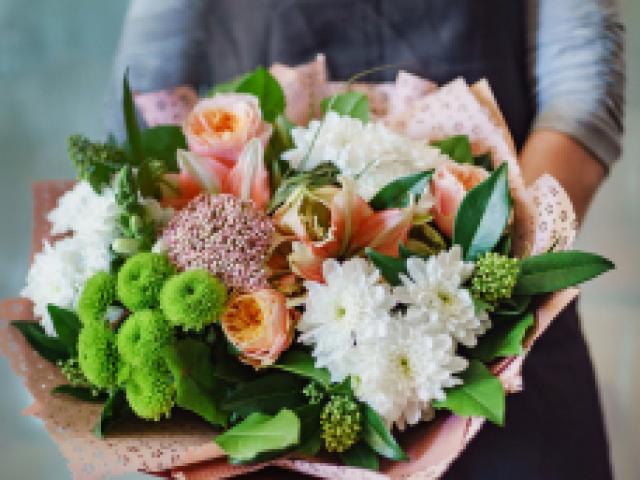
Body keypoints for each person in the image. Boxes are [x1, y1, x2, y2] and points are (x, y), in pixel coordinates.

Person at [106, 1, 625, 478]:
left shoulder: (503, 280)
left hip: (504, 305)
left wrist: (501, 274)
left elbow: (581, 79)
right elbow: (152, 82)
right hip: (262, 358)